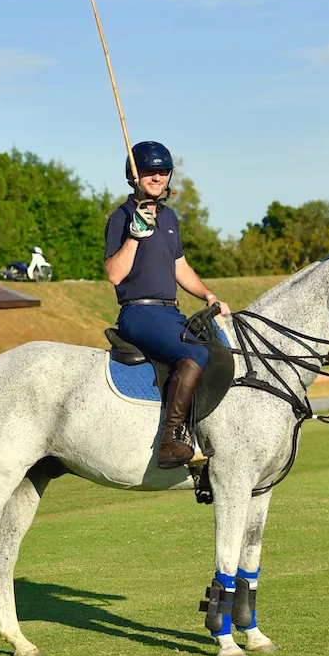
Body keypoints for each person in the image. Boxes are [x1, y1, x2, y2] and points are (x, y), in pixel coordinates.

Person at [103, 141, 231, 469]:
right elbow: (115, 275)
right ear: (134, 176)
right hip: (138, 311)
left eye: (162, 171)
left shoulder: (170, 216)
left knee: (216, 348)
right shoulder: (121, 217)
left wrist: (208, 295)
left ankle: (203, 434)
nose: (157, 176)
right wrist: (135, 235)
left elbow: (181, 267)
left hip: (169, 311)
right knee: (195, 353)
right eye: (148, 171)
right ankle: (169, 441)